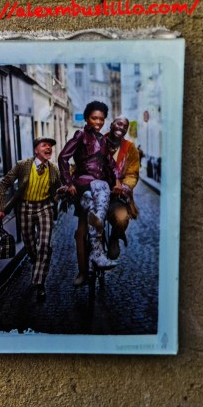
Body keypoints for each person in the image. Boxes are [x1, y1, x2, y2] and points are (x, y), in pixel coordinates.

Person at [58, 100, 119, 284]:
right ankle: (83, 272)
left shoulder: (105, 141)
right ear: (86, 118)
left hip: (100, 187)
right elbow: (63, 157)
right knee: (80, 232)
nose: (98, 122)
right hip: (83, 183)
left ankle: (97, 224)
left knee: (99, 196)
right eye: (94, 118)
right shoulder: (80, 135)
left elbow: (111, 165)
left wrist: (117, 181)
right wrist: (68, 183)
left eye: (101, 119)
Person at [0, 137, 61, 301]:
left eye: (50, 146)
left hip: (45, 208)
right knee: (30, 244)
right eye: (44, 145)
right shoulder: (23, 165)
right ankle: (36, 259)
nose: (49, 148)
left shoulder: (54, 169)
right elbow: (4, 183)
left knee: (44, 244)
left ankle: (39, 283)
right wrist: (0, 208)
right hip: (25, 207)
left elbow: (57, 190)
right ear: (36, 150)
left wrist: (63, 194)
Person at [104, 117, 140, 259]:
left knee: (122, 218)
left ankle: (114, 238)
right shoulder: (98, 142)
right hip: (95, 192)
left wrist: (124, 187)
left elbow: (132, 174)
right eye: (119, 124)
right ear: (111, 124)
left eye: (125, 126)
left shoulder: (131, 148)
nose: (122, 128)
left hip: (116, 196)